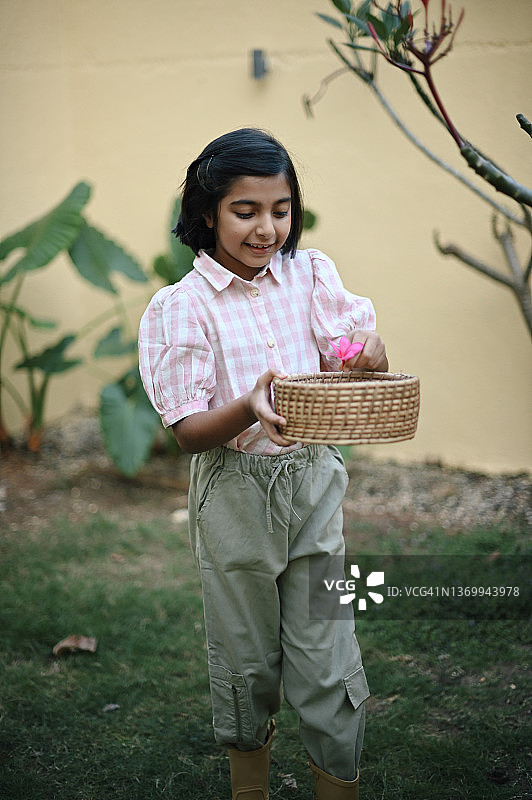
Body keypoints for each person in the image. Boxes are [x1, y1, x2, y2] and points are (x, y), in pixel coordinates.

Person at [138, 128, 388, 800]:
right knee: (249, 663)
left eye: (280, 209)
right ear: (206, 214)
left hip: (312, 481)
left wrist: (370, 353)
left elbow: (353, 358)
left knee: (326, 653)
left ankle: (339, 782)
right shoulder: (182, 307)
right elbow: (189, 431)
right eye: (244, 211)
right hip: (235, 495)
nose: (266, 227)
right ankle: (250, 784)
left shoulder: (311, 275)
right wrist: (249, 406)